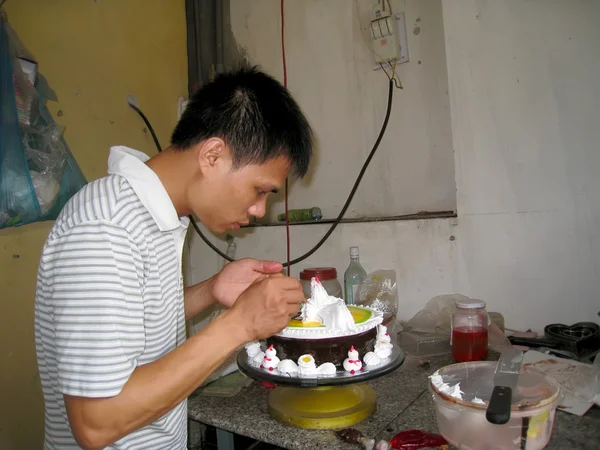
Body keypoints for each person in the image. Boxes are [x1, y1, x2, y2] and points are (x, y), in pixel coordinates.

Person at [34, 66, 313, 449]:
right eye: (260, 190)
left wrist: (212, 291)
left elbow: (130, 325)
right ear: (213, 155)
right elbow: (95, 422)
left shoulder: (154, 218)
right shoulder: (106, 226)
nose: (259, 210)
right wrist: (239, 325)